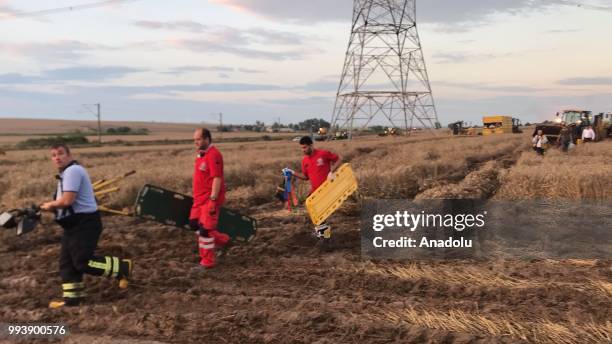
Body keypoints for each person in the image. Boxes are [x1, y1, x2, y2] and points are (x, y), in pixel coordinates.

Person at [41, 144, 132, 309]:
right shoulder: (64, 174)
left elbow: (67, 201)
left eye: (60, 153)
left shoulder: (73, 171)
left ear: (69, 155)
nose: (57, 157)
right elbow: (64, 204)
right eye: (53, 155)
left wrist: (50, 205)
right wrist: (48, 208)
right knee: (67, 263)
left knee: (82, 262)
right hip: (73, 224)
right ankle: (73, 299)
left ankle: (122, 267)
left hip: (85, 223)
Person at [189, 128, 230, 270]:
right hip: (198, 199)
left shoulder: (214, 155)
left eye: (198, 139)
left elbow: (217, 178)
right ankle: (224, 241)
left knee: (205, 230)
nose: (196, 142)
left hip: (209, 199)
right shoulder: (201, 155)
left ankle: (207, 262)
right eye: (194, 140)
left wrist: (213, 199)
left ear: (207, 139)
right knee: (193, 223)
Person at [289, 136, 342, 241]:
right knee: (313, 210)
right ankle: (322, 233)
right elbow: (305, 177)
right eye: (302, 148)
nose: (303, 150)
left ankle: (324, 236)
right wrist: (292, 173)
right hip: (314, 191)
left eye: (305, 147)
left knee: (319, 213)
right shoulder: (304, 161)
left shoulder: (323, 154)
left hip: (326, 189)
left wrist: (332, 171)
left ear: (311, 145)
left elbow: (339, 159)